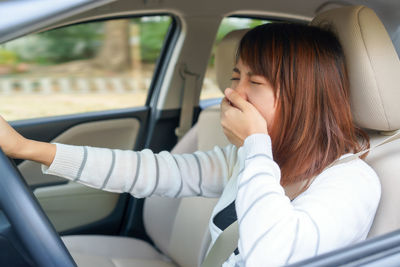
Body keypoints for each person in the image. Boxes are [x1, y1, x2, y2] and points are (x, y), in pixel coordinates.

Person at [0, 23, 380, 266]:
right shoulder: (250, 160)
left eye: (255, 82)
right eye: (235, 76)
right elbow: (151, 171)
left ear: (303, 97)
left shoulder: (352, 182)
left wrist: (255, 146)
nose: (233, 91)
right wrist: (28, 148)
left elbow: (272, 257)